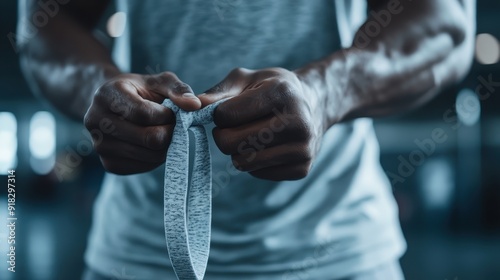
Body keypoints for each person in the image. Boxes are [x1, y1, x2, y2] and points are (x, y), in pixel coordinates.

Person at [18, 0, 475, 279]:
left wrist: (325, 93)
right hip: (136, 258)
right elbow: (40, 25)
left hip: (340, 255)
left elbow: (448, 23)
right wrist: (97, 91)